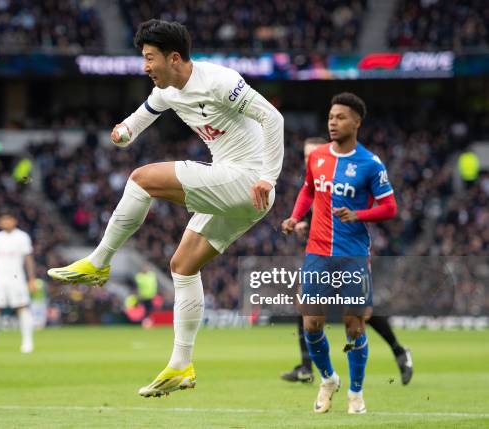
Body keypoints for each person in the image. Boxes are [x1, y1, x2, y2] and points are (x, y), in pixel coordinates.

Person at [48, 19, 284, 397]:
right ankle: (181, 365)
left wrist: (269, 176)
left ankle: (99, 260)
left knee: (142, 179)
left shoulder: (220, 81)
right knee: (182, 266)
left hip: (249, 180)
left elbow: (273, 118)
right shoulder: (168, 90)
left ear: (174, 58)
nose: (145, 66)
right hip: (241, 192)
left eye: (149, 58)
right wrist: (124, 132)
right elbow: (140, 118)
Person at [281, 93, 397, 414]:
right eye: (331, 117)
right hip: (316, 252)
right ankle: (329, 378)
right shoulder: (316, 156)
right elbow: (308, 189)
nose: (333, 122)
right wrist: (295, 217)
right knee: (312, 324)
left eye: (341, 117)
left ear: (357, 122)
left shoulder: (370, 164)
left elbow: (389, 207)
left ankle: (356, 392)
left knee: (354, 326)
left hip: (353, 254)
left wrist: (359, 215)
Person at [282, 139, 413, 385]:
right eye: (304, 155)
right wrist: (298, 221)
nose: (307, 158)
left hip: (349, 251)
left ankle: (397, 350)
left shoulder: (342, 172)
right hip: (320, 252)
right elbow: (312, 203)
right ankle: (307, 366)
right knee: (306, 305)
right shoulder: (315, 174)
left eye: (310, 153)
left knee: (361, 313)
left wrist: (305, 225)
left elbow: (341, 214)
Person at [0, 214, 36, 354]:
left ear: (14, 220)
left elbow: (28, 258)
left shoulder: (22, 237)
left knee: (22, 307)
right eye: (3, 219)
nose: (5, 222)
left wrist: (31, 278)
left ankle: (27, 342)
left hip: (17, 277)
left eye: (8, 219)